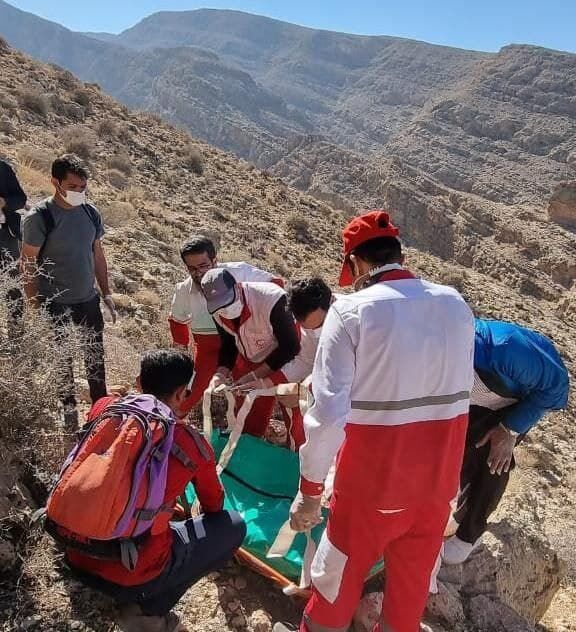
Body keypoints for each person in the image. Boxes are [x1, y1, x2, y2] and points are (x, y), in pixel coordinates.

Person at [274, 210, 475, 632]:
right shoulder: (456, 304)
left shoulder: (350, 313)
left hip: (372, 489)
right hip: (438, 487)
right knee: (408, 596)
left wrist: (310, 492)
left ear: (356, 265)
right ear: (398, 255)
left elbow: (327, 415)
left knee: (335, 585)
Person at [64, 349, 246, 632]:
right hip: (134, 573)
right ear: (181, 394)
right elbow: (214, 507)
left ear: (139, 382)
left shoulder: (103, 409)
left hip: (76, 554)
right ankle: (147, 613)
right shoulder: (189, 444)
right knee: (232, 525)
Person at [442, 318, 570, 565]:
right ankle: (457, 511)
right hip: (479, 399)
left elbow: (557, 387)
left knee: (493, 459)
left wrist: (510, 429)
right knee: (460, 449)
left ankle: (470, 534)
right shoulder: (427, 353)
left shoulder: (506, 348)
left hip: (517, 402)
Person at [20, 154, 116, 429]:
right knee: (63, 359)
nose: (78, 192)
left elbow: (97, 254)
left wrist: (106, 293)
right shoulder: (40, 217)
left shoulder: (89, 212)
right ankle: (69, 414)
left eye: (83, 187)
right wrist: (33, 302)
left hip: (87, 297)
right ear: (55, 182)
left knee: (95, 356)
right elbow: (27, 261)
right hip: (55, 301)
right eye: (72, 187)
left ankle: (100, 411)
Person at [168, 235, 281, 413]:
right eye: (192, 269)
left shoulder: (240, 272)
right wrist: (180, 358)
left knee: (252, 396)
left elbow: (276, 286)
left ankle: (248, 435)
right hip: (208, 348)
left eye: (203, 266)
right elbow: (176, 322)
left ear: (215, 260)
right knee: (183, 398)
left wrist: (268, 327)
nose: (199, 273)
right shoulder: (184, 290)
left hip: (247, 343)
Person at [240, 277, 342, 449]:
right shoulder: (308, 324)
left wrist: (305, 392)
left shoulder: (352, 320)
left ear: (330, 303)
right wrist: (265, 382)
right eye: (306, 327)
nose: (314, 332)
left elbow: (340, 372)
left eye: (320, 325)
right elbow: (305, 361)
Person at [200, 268, 300, 437]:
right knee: (248, 414)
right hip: (249, 358)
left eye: (228, 301)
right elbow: (229, 344)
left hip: (286, 359)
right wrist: (220, 374)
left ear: (238, 287)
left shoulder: (271, 299)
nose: (225, 310)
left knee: (292, 409)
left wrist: (257, 376)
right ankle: (250, 446)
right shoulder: (216, 310)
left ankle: (295, 453)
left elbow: (290, 346)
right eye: (220, 306)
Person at [0, 158, 27, 342]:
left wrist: (4, 202)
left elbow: (20, 199)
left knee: (13, 287)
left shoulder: (3, 168)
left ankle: (17, 339)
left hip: (4, 236)